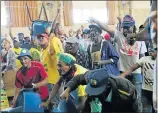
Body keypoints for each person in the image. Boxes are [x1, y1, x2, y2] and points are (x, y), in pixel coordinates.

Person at [89, 15, 147, 98]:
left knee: (137, 98)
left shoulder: (139, 39)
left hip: (136, 74)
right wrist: (96, 20)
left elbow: (142, 58)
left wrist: (144, 74)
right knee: (122, 99)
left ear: (133, 26)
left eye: (128, 27)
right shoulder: (119, 36)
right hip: (122, 73)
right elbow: (107, 28)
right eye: (124, 27)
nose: (125, 30)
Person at [60, 68, 142, 113]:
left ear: (107, 85)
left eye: (97, 91)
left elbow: (136, 108)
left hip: (120, 106)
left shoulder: (126, 90)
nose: (94, 93)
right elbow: (78, 78)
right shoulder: (92, 77)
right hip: (102, 102)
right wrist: (67, 89)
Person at [120, 48, 157, 112]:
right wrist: (122, 75)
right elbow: (131, 68)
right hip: (145, 91)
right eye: (151, 49)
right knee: (145, 110)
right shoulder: (145, 59)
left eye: (155, 49)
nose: (151, 50)